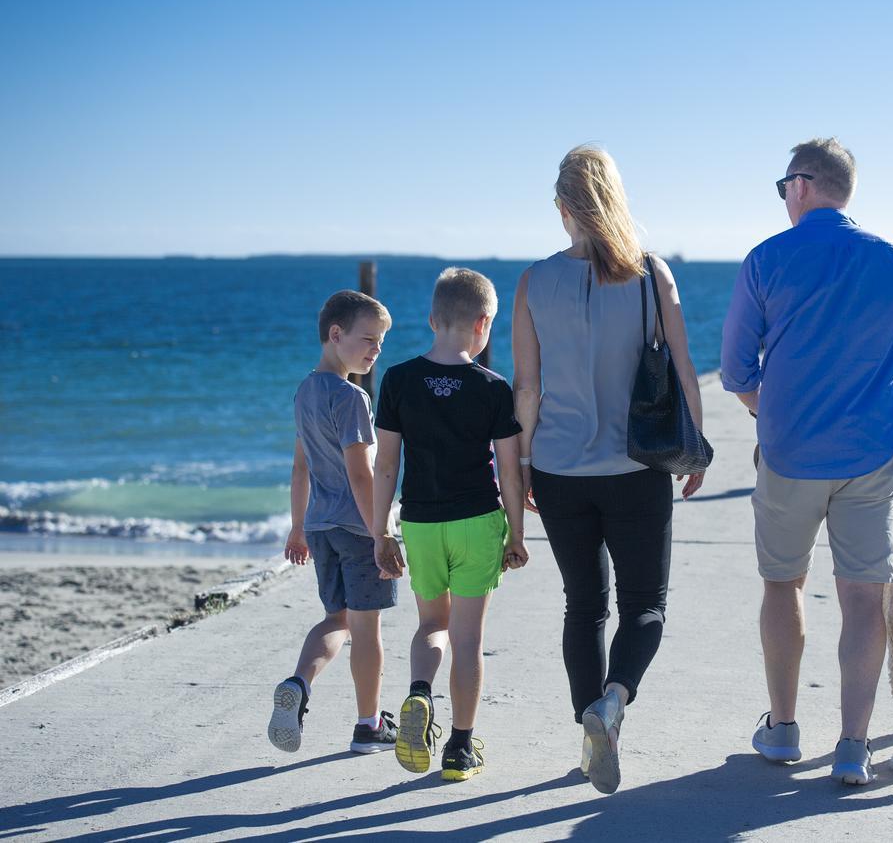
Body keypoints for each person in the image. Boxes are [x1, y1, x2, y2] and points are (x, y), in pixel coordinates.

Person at [721, 138, 893, 786]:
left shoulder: (765, 260)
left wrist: (767, 412)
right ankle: (854, 747)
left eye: (783, 187)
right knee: (864, 599)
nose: (783, 197)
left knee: (784, 585)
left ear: (802, 185)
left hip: (789, 455)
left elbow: (733, 369)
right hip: (868, 458)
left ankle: (782, 731)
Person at [511, 145, 706, 795]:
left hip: (560, 470)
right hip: (637, 466)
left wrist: (525, 466)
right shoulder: (652, 275)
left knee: (583, 606)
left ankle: (591, 733)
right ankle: (612, 705)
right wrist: (696, 446)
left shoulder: (534, 281)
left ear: (562, 208)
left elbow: (527, 390)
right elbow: (681, 368)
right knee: (645, 605)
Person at [371, 268, 529, 782]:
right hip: (477, 522)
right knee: (467, 638)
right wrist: (517, 534)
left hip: (420, 522)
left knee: (431, 626)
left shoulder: (397, 380)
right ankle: (460, 749)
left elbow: (386, 465)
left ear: (433, 319)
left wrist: (381, 531)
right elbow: (509, 468)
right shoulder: (492, 387)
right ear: (484, 324)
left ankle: (419, 693)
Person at [270, 289, 399, 756]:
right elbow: (361, 473)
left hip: (322, 528)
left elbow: (299, 466)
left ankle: (298, 683)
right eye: (368, 339)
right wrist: (380, 534)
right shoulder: (352, 398)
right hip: (356, 528)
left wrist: (298, 526)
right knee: (366, 629)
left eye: (381, 343)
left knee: (336, 620)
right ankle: (369, 726)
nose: (375, 350)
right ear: (335, 334)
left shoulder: (305, 391)